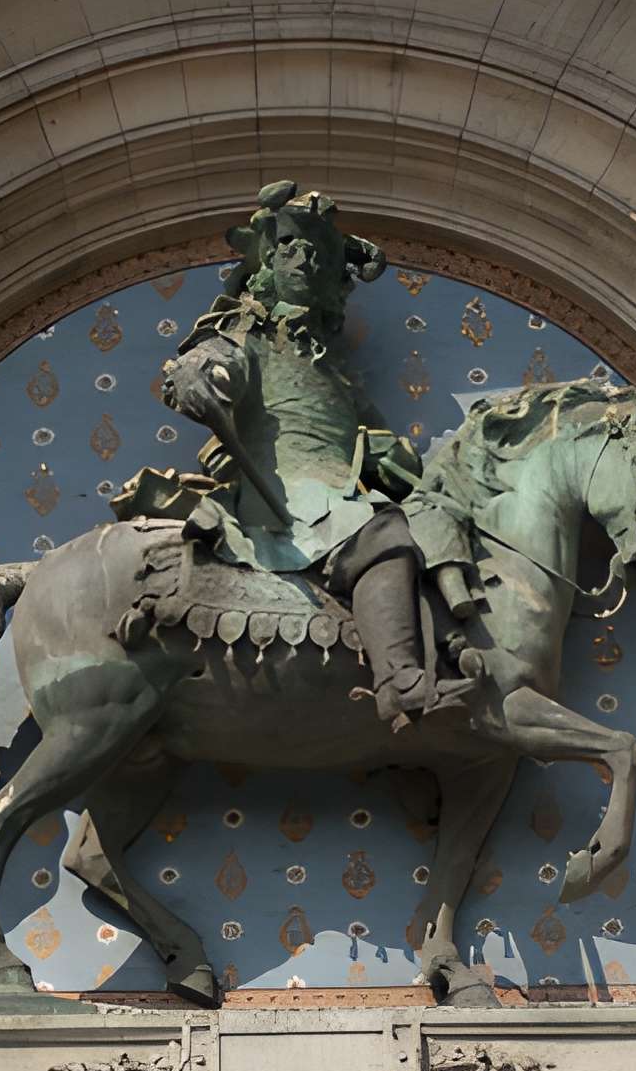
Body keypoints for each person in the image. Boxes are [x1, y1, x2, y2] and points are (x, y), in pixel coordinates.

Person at [116, 181, 476, 729]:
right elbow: (205, 366)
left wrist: (389, 457)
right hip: (287, 498)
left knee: (434, 516)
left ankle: (455, 636)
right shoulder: (245, 334)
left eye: (316, 255)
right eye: (290, 248)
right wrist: (200, 376)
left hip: (343, 492)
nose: (303, 260)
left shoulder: (337, 376)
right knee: (382, 532)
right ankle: (401, 684)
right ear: (267, 262)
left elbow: (381, 445)